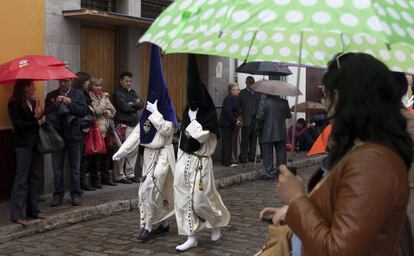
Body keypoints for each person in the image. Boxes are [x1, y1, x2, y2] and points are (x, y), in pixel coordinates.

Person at [265, 53, 412, 255]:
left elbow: (339, 250)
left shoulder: (374, 163)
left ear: (342, 97)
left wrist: (297, 199)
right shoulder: (360, 150)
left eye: (327, 95)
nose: (324, 104)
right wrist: (295, 212)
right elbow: (339, 211)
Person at [112, 45, 177, 242]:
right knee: (151, 189)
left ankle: (149, 226)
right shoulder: (148, 113)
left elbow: (168, 129)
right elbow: (137, 134)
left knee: (151, 187)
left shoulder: (165, 111)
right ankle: (163, 224)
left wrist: (156, 114)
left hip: (164, 154)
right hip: (149, 155)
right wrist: (121, 152)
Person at [174, 54, 230, 252]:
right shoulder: (186, 111)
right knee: (182, 199)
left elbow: (203, 137)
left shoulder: (209, 113)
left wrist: (191, 127)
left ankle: (215, 222)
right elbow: (183, 138)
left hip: (201, 161)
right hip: (185, 159)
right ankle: (191, 236)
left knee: (200, 198)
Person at [8, 79, 46, 225]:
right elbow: (19, 126)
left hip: (35, 143)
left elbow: (37, 120)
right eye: (32, 86)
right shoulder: (14, 103)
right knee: (21, 178)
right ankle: (17, 214)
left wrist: (37, 108)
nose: (34, 88)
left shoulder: (30, 101)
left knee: (34, 177)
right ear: (25, 87)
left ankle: (34, 210)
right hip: (23, 144)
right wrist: (37, 122)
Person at [44, 78, 88, 207]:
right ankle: (58, 194)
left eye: (65, 81)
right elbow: (47, 113)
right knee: (57, 168)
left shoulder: (78, 94)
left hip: (74, 136)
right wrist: (55, 104)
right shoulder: (51, 95)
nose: (62, 84)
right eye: (60, 81)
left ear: (70, 81)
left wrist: (70, 103)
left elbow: (83, 111)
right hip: (57, 136)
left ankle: (76, 194)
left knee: (75, 168)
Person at [113, 71, 144, 184]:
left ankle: (130, 174)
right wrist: (133, 104)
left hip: (134, 125)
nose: (128, 83)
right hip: (123, 125)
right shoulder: (118, 93)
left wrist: (133, 104)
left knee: (133, 150)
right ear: (121, 81)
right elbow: (124, 107)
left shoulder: (132, 92)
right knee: (122, 149)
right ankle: (120, 175)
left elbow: (141, 104)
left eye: (130, 81)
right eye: (126, 81)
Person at [89, 78, 117, 187]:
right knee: (97, 158)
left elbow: (113, 110)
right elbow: (97, 111)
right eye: (96, 85)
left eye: (100, 85)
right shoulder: (91, 97)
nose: (98, 88)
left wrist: (108, 112)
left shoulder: (102, 96)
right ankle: (95, 181)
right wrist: (104, 102)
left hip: (107, 130)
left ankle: (106, 179)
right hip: (97, 131)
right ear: (92, 86)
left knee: (107, 157)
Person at [256, 94, 291, 179]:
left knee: (267, 154)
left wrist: (259, 129)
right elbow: (289, 115)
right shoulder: (284, 102)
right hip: (281, 131)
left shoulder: (263, 102)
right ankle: (281, 172)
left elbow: (260, 117)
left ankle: (269, 174)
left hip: (267, 131)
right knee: (281, 154)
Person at [71, 72, 96, 191]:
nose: (88, 83)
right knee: (82, 158)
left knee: (85, 157)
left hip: (87, 128)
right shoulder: (78, 94)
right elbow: (86, 110)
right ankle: (81, 183)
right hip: (81, 129)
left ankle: (82, 182)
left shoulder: (85, 94)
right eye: (87, 81)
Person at [238, 76, 260, 163]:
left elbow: (259, 105)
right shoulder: (242, 93)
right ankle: (243, 157)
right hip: (246, 120)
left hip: (255, 120)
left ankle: (252, 156)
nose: (251, 84)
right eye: (249, 82)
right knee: (245, 140)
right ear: (246, 83)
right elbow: (238, 106)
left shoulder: (257, 93)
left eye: (252, 82)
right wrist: (240, 117)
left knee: (254, 140)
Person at [219, 83, 241, 167]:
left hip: (228, 124)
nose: (239, 91)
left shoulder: (233, 98)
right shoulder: (229, 99)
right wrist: (235, 121)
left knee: (228, 142)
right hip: (226, 124)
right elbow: (228, 112)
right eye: (237, 89)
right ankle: (227, 162)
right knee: (227, 143)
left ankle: (226, 160)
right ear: (232, 90)